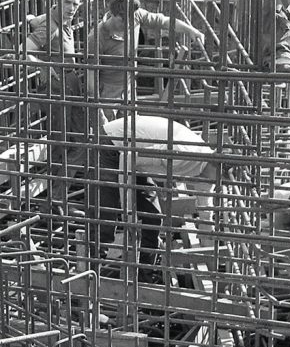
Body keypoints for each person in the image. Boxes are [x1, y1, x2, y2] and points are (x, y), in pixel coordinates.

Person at [92, 115, 217, 270]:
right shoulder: (184, 153)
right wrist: (128, 209)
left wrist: (207, 230)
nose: (222, 183)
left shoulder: (207, 168)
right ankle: (93, 265)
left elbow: (205, 196)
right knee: (108, 212)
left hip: (136, 156)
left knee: (153, 216)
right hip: (113, 146)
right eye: (222, 177)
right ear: (215, 165)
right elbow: (129, 157)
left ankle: (144, 270)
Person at [86, 0, 207, 122]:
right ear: (113, 15)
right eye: (124, 20)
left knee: (131, 130)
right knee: (107, 134)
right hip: (107, 93)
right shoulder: (96, 37)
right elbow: (91, 79)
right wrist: (98, 111)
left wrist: (191, 30)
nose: (129, 24)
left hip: (129, 86)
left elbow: (164, 21)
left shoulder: (136, 15)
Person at [24, 0, 89, 212]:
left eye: (76, 4)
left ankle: (57, 198)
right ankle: (54, 201)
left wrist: (31, 19)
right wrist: (43, 65)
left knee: (79, 142)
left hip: (70, 83)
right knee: (64, 145)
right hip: (57, 86)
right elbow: (24, 52)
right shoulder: (49, 27)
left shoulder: (60, 20)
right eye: (67, 2)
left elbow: (37, 20)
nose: (71, 8)